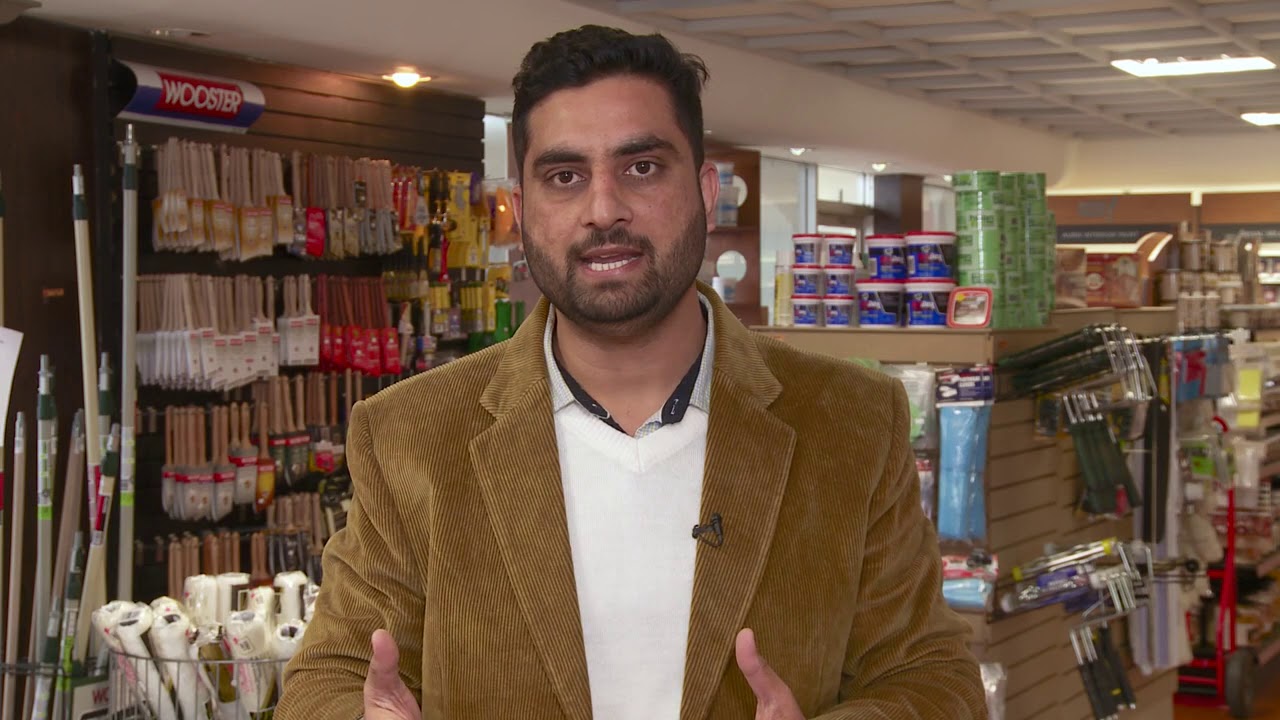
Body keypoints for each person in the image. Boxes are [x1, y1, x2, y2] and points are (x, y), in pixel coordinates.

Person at [277, 25, 985, 720]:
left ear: (705, 190)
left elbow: (931, 676)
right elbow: (327, 677)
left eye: (641, 167)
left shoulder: (850, 418)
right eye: (565, 177)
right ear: (522, 210)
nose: (604, 209)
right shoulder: (411, 433)